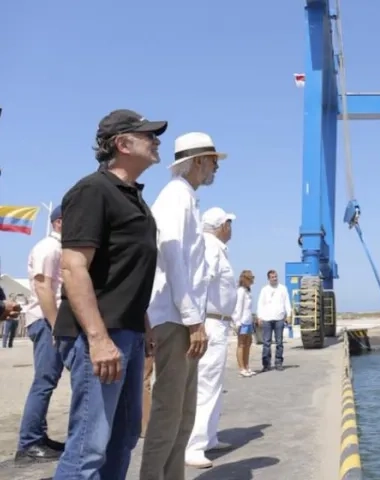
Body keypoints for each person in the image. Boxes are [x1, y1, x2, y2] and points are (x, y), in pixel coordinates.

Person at [53, 109, 166, 479]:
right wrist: (99, 339)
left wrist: (145, 325)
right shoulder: (92, 190)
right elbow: (72, 267)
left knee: (124, 438)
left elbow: (128, 272)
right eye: (148, 135)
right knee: (89, 446)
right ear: (122, 143)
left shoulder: (134, 198)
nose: (156, 141)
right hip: (100, 336)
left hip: (129, 332)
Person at [140, 132, 227, 480]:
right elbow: (174, 257)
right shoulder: (176, 197)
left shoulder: (186, 197)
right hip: (175, 319)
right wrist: (194, 321)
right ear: (198, 162)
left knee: (184, 414)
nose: (216, 168)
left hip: (183, 318)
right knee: (168, 411)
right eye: (213, 161)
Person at [184, 207, 238, 469]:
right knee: (205, 384)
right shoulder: (210, 247)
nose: (232, 228)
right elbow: (200, 284)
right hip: (211, 323)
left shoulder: (217, 248)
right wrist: (198, 324)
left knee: (214, 384)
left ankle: (209, 437)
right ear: (222, 225)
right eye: (229, 223)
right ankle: (194, 446)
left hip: (219, 323)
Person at [15, 206, 65, 464]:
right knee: (44, 381)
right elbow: (44, 287)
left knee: (48, 380)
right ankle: (29, 443)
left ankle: (38, 437)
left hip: (49, 321)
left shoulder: (58, 248)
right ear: (59, 222)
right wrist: (56, 325)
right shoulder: (49, 248)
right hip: (47, 321)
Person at [256, 269, 292, 372]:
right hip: (267, 319)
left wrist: (288, 315)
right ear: (268, 279)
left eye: (275, 276)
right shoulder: (264, 290)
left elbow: (287, 303)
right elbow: (260, 304)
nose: (274, 278)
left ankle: (278, 362)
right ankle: (266, 364)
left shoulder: (282, 289)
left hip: (279, 319)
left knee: (279, 342)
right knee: (266, 343)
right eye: (272, 277)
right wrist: (259, 317)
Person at [233, 270, 256, 377]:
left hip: (248, 321)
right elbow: (238, 307)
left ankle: (247, 366)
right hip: (242, 321)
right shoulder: (241, 291)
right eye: (250, 278)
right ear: (245, 279)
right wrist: (237, 322)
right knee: (241, 344)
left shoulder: (248, 291)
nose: (252, 280)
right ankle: (241, 368)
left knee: (248, 343)